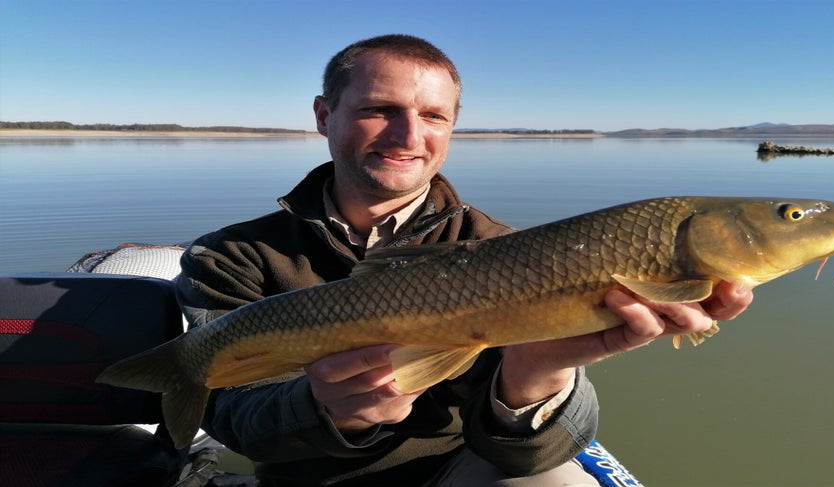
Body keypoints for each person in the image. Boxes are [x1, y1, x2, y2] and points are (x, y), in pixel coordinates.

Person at [175, 34, 753, 486]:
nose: (408, 136)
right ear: (325, 115)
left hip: (460, 470)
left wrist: (535, 374)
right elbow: (232, 418)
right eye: (380, 109)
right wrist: (327, 410)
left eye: (433, 116)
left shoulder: (513, 251)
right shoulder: (232, 255)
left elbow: (535, 456)